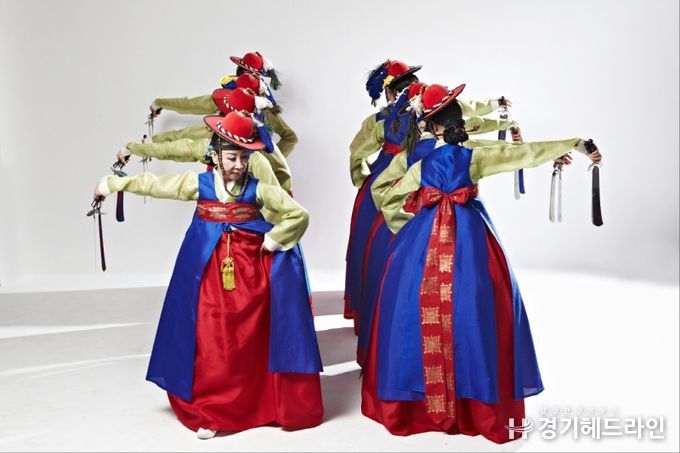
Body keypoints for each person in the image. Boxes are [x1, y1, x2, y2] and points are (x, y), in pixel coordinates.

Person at [361, 82, 601, 443]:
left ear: (431, 127)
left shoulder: (421, 165)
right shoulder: (474, 157)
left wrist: (405, 224)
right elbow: (523, 154)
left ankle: (419, 403)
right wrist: (575, 144)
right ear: (460, 123)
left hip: (421, 240)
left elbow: (384, 192)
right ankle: (477, 402)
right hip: (469, 236)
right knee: (476, 306)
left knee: (410, 307)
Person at [93, 110, 323, 439]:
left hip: (249, 268)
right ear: (215, 156)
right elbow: (154, 185)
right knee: (210, 333)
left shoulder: (258, 188)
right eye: (231, 158)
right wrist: (113, 183)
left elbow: (298, 214)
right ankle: (211, 407)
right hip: (206, 267)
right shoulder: (198, 184)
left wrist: (273, 240)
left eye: (243, 158)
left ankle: (257, 401)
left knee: (247, 335)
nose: (238, 165)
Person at [147, 52, 298, 157]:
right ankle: (149, 144)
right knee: (184, 137)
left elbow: (290, 138)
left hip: (244, 166)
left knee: (183, 137)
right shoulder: (227, 98)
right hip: (220, 156)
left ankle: (149, 144)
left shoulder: (265, 112)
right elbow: (189, 105)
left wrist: (270, 159)